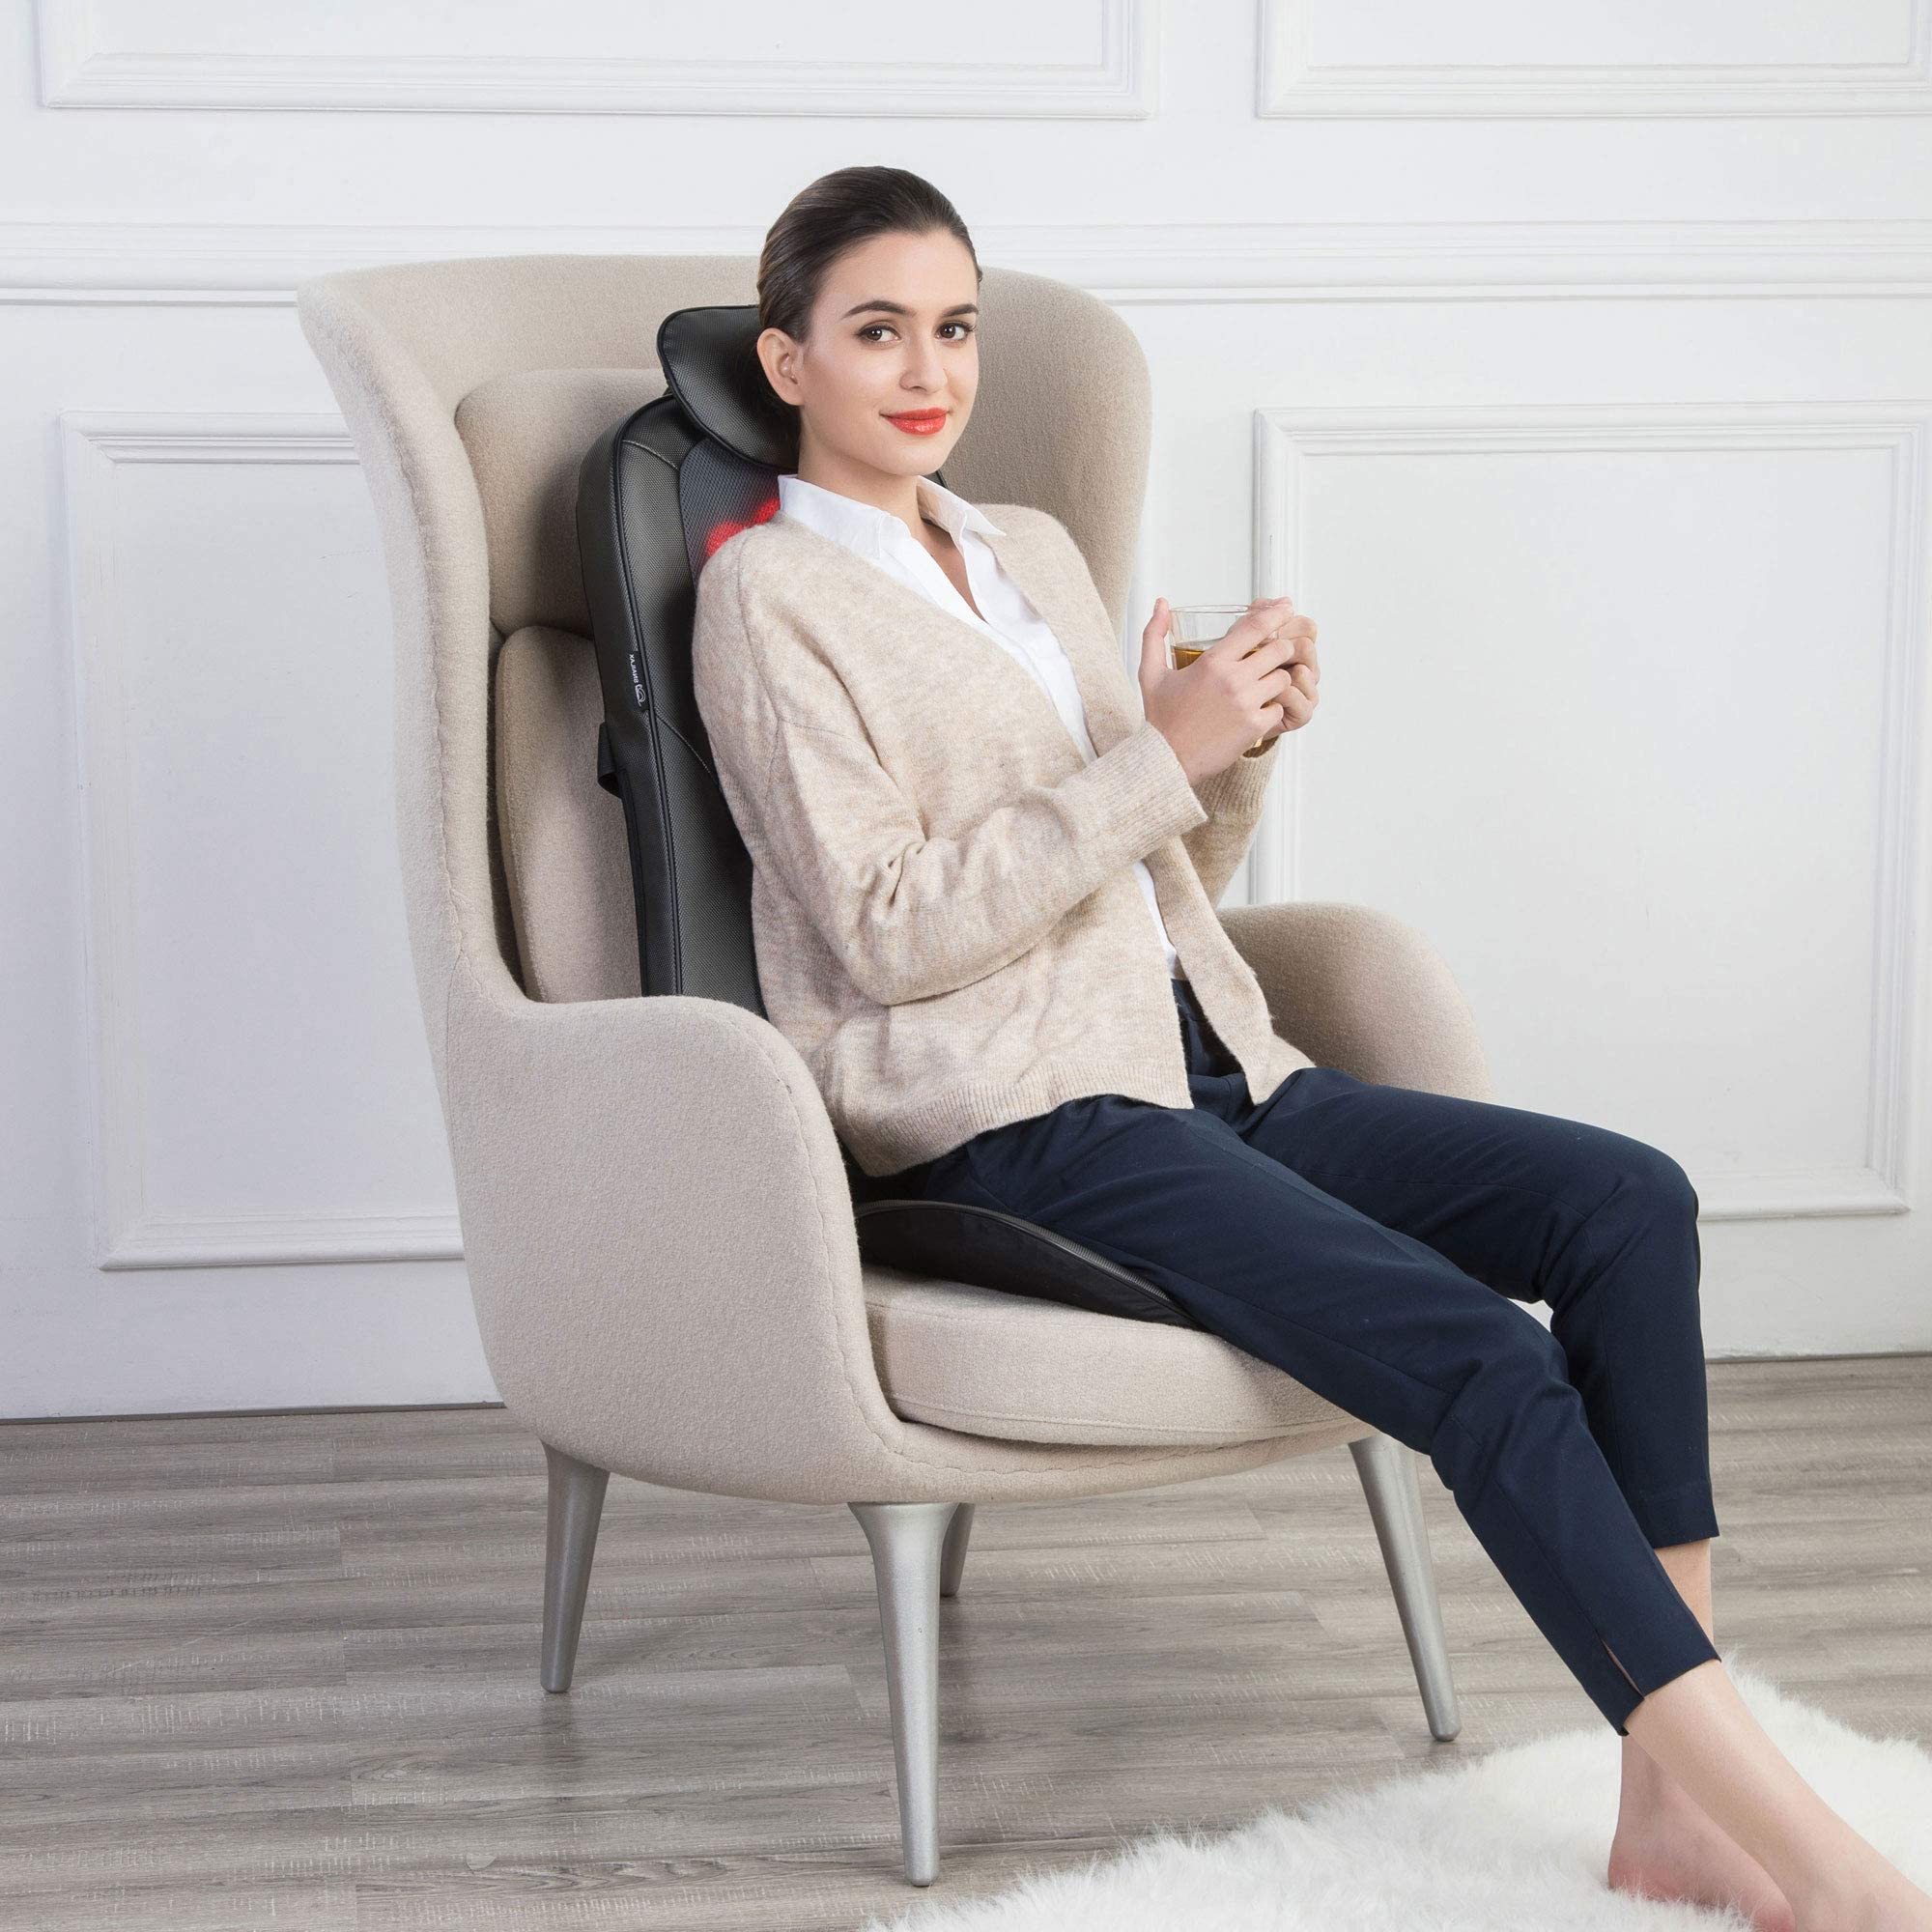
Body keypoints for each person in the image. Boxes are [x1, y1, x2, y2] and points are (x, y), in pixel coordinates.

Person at [690, 162, 1932, 1932]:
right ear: (786, 360)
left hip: (1217, 1059)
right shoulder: (768, 598)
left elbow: (1158, 878)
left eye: (954, 328)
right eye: (876, 330)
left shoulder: (1025, 550)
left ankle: (1669, 1810)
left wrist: (1232, 744)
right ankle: (1815, 1865)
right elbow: (888, 930)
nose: (928, 371)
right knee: (1480, 1359)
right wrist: (1156, 753)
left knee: (1629, 1203)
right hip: (1021, 1110)